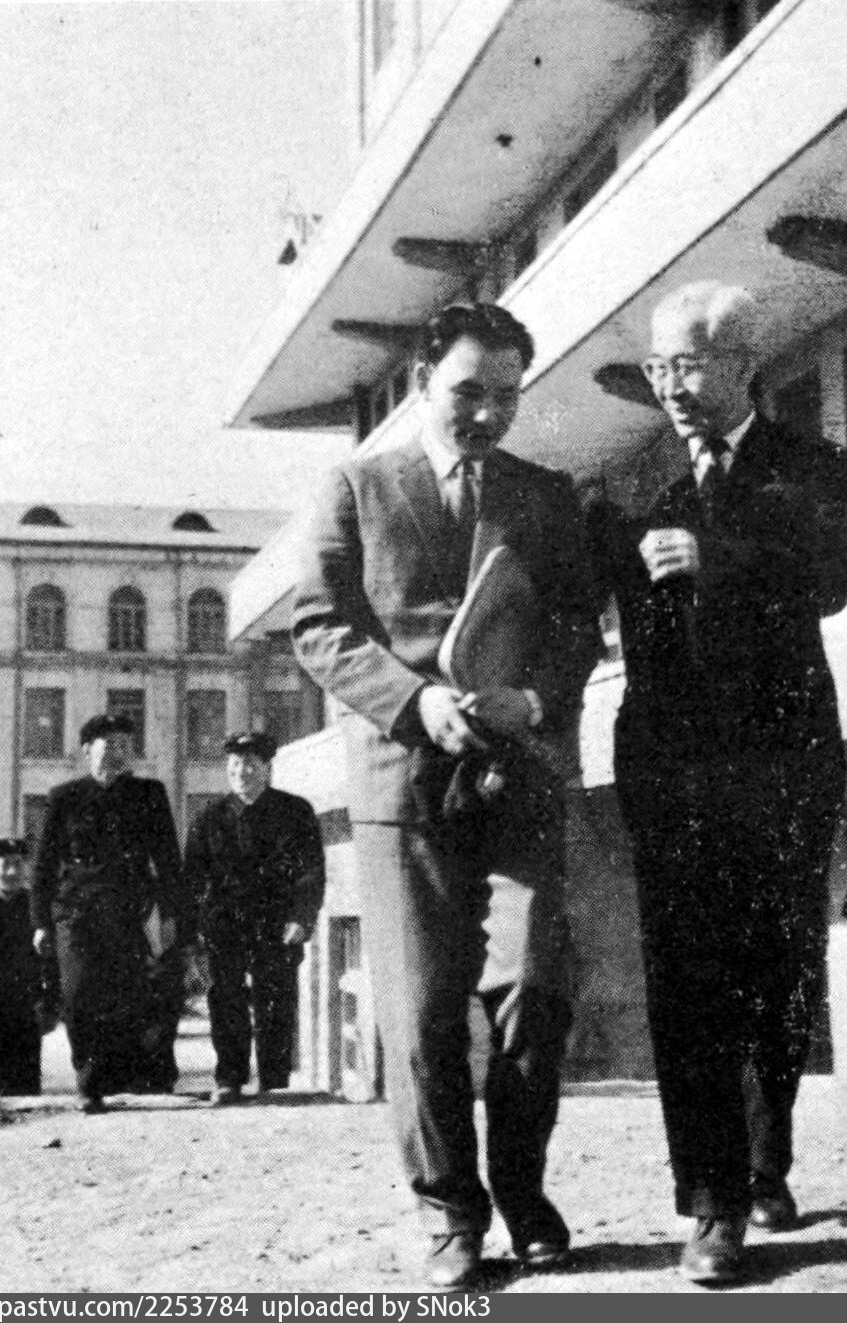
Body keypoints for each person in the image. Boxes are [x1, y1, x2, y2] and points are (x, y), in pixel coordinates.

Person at [292, 302, 600, 1288]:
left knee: (535, 984)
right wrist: (415, 702)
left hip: (519, 775)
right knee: (422, 1012)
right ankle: (449, 1215)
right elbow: (319, 627)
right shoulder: (356, 487)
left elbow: (575, 626)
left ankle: (522, 1190)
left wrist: (534, 697)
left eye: (507, 395)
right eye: (469, 390)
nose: (487, 413)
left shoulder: (545, 497)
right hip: (405, 783)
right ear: (425, 381)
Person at [587, 282, 847, 1283]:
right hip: (676, 779)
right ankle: (712, 1200)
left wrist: (718, 557)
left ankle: (764, 1154)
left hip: (784, 767)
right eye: (658, 367)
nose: (670, 386)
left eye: (689, 364)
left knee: (781, 972)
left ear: (744, 363)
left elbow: (831, 574)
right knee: (689, 983)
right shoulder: (646, 493)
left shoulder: (812, 467)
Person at [31, 712, 186, 1111]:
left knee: (127, 994)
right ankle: (89, 1084)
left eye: (125, 745)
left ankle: (120, 1082)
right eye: (110, 744)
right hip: (76, 913)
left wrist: (171, 916)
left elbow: (168, 861)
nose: (119, 752)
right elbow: (44, 866)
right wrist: (40, 922)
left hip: (128, 912)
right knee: (78, 994)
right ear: (87, 749)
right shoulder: (64, 796)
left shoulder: (149, 794)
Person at [183, 731, 324, 1105]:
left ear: (266, 767)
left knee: (275, 999)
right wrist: (193, 930)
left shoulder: (295, 812)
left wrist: (302, 917)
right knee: (225, 999)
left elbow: (311, 871)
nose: (241, 771)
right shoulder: (209, 817)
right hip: (224, 923)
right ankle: (229, 1078)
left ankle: (274, 1083)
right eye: (234, 764)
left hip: (276, 922)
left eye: (250, 764)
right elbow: (193, 877)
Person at [0, 839, 57, 1109]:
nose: (13, 872)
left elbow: (52, 963)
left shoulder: (36, 911)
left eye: (18, 864)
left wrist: (51, 1005)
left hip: (20, 1008)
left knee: (22, 1097)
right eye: (4, 865)